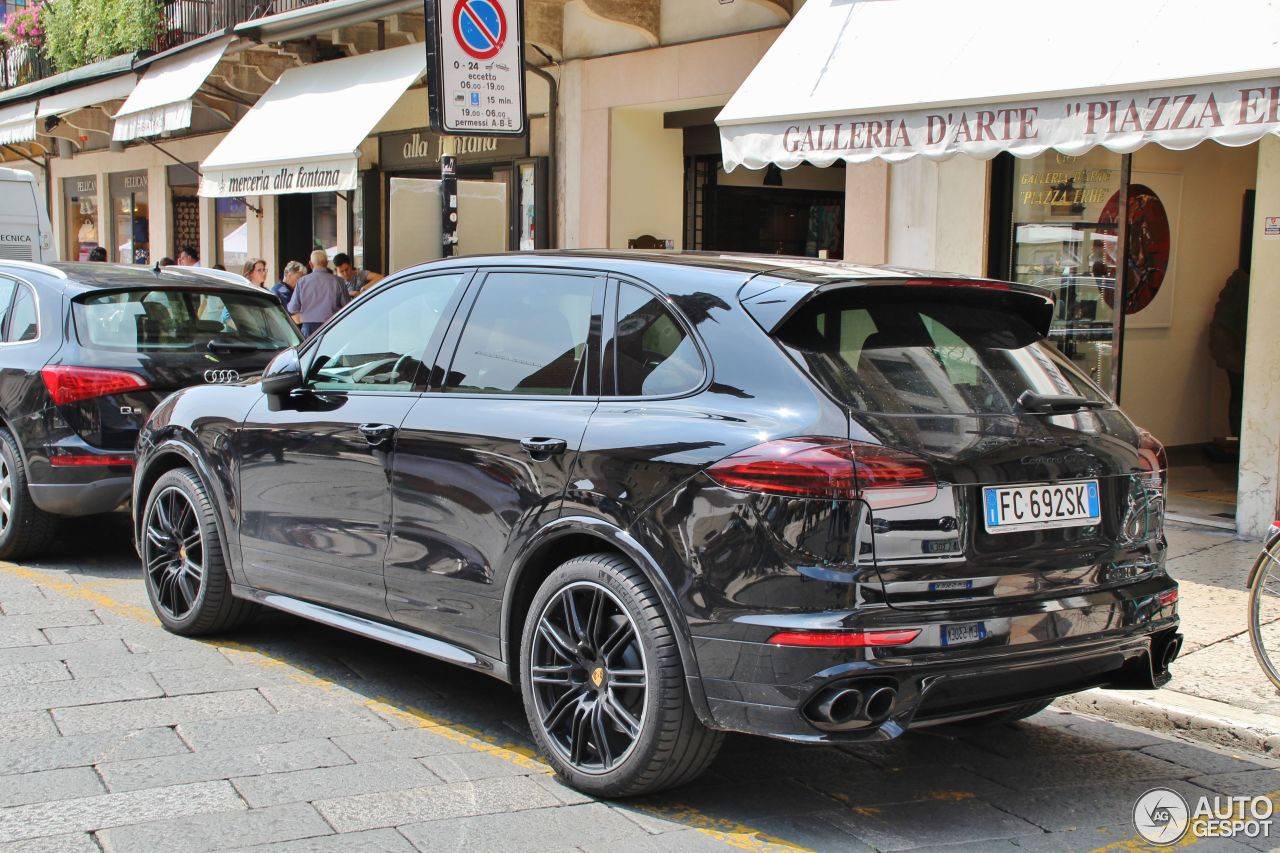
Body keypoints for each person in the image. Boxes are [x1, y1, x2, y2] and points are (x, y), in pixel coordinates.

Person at [1209, 268, 1249, 438]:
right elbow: (1225, 323)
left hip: (1237, 352)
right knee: (1239, 398)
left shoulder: (1240, 281)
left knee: (1239, 398)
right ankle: (1239, 443)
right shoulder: (1242, 281)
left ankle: (1240, 443)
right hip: (1237, 354)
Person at [287, 250, 348, 337]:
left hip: (309, 328)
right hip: (331, 325)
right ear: (326, 263)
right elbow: (346, 305)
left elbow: (292, 308)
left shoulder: (302, 282)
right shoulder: (338, 281)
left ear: (311, 264)